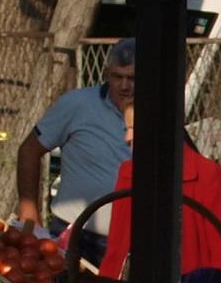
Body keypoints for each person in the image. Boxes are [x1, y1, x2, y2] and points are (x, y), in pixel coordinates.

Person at [92, 106, 221, 283]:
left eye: (135, 129)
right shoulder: (128, 172)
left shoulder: (207, 174)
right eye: (126, 129)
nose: (128, 138)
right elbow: (117, 243)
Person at [17, 38, 134, 237]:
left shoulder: (160, 115)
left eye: (132, 78)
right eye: (117, 77)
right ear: (106, 74)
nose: (124, 86)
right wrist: (29, 211)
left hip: (132, 238)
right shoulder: (78, 104)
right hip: (76, 233)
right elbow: (29, 150)